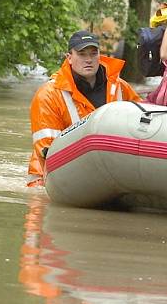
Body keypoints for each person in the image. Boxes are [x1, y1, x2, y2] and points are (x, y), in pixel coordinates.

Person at [27, 30, 141, 187]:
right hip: (51, 176)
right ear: (69, 58)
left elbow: (142, 126)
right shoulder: (48, 95)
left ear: (100, 55)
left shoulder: (120, 87)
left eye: (93, 54)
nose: (88, 60)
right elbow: (47, 151)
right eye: (82, 54)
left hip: (109, 169)